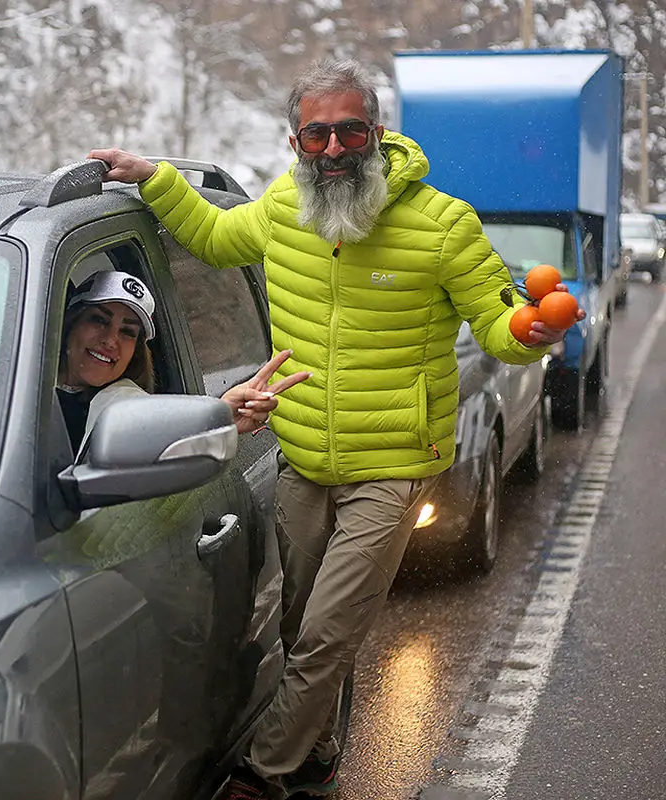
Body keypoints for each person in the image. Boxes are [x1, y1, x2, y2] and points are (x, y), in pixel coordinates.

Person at [88, 57, 584, 800]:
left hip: (391, 465)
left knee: (327, 633)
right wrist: (152, 177)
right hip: (302, 457)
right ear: (295, 145)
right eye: (314, 135)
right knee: (296, 628)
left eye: (350, 130)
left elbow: (498, 321)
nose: (333, 149)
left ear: (377, 133)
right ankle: (317, 753)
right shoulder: (286, 205)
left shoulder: (444, 223)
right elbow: (218, 238)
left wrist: (532, 330)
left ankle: (265, 773)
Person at [57, 268, 308, 453]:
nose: (111, 340)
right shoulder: (20, 378)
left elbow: (162, 439)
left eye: (128, 332)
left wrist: (216, 420)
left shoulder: (128, 407)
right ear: (70, 321)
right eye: (99, 320)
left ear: (135, 351)